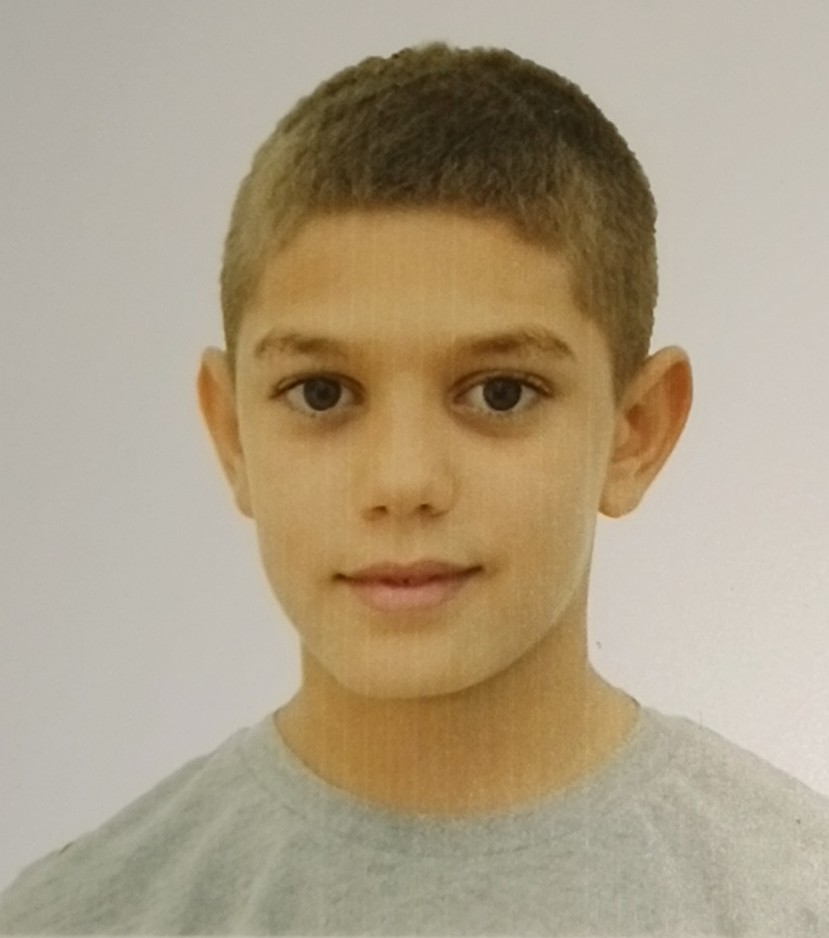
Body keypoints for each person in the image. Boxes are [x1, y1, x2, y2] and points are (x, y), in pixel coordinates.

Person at [1, 40, 827, 937]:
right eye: (321, 393)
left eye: (500, 393)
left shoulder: (791, 902)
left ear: (634, 432)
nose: (402, 483)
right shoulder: (73, 921)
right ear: (232, 434)